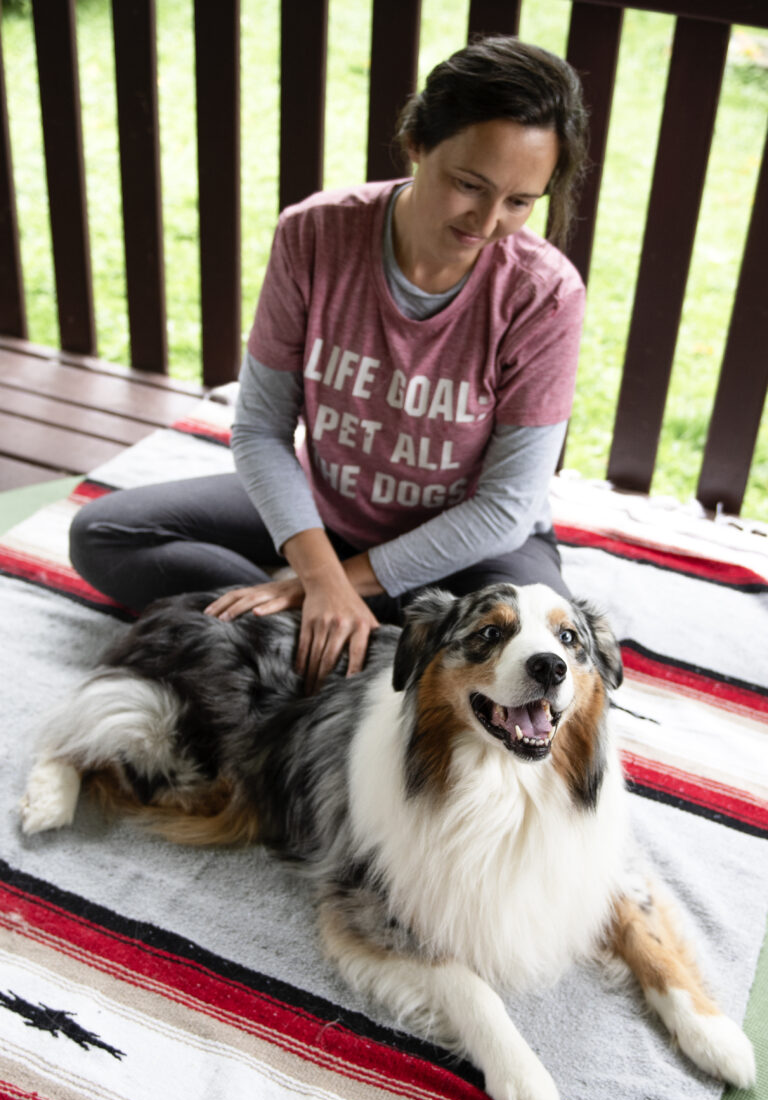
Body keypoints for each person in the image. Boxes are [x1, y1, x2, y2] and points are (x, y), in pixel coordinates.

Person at [70, 35, 589, 693]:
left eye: (520, 202)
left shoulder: (545, 294)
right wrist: (315, 576)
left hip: (472, 545)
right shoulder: (313, 235)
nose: (487, 221)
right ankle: (354, 633)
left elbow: (506, 508)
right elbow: (259, 431)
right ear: (417, 143)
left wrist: (327, 583)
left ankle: (311, 624)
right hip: (328, 507)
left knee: (545, 662)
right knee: (106, 532)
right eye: (468, 185)